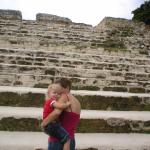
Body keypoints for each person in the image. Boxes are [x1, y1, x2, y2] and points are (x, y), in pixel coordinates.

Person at [41, 78, 81, 150]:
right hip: (71, 140)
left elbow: (56, 113)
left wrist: (44, 123)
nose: (57, 91)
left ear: (67, 88)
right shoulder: (77, 101)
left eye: (59, 88)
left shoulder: (64, 96)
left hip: (58, 140)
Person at [42, 83, 71, 150]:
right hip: (51, 124)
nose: (56, 95)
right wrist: (66, 104)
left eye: (58, 94)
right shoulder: (51, 101)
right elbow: (59, 106)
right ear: (48, 93)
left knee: (61, 138)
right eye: (54, 92)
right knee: (67, 138)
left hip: (51, 124)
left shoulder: (50, 101)